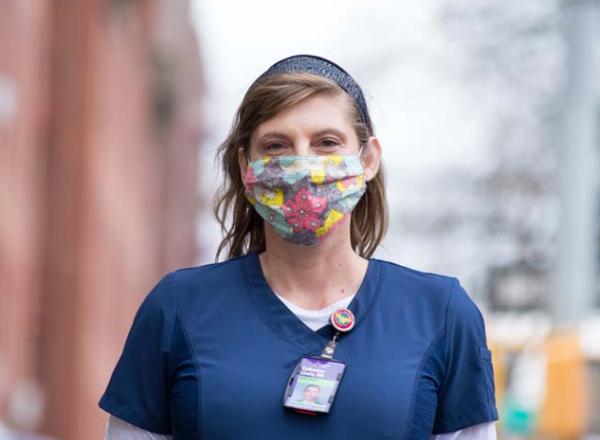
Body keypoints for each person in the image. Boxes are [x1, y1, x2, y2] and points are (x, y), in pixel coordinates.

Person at [99, 54, 499, 439]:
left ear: (368, 159)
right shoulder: (178, 309)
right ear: (245, 167)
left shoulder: (441, 315)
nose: (302, 165)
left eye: (326, 142)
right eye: (276, 146)